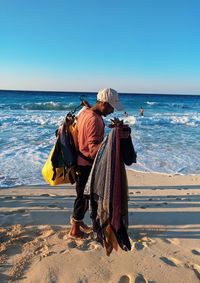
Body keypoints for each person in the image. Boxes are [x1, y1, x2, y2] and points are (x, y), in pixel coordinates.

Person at [69, 88, 124, 238]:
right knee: (83, 198)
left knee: (82, 195)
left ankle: (78, 222)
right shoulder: (94, 120)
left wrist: (87, 105)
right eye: (112, 107)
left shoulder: (86, 112)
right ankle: (74, 230)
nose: (112, 112)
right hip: (85, 164)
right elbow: (93, 150)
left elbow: (88, 109)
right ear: (104, 104)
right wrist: (112, 138)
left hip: (79, 161)